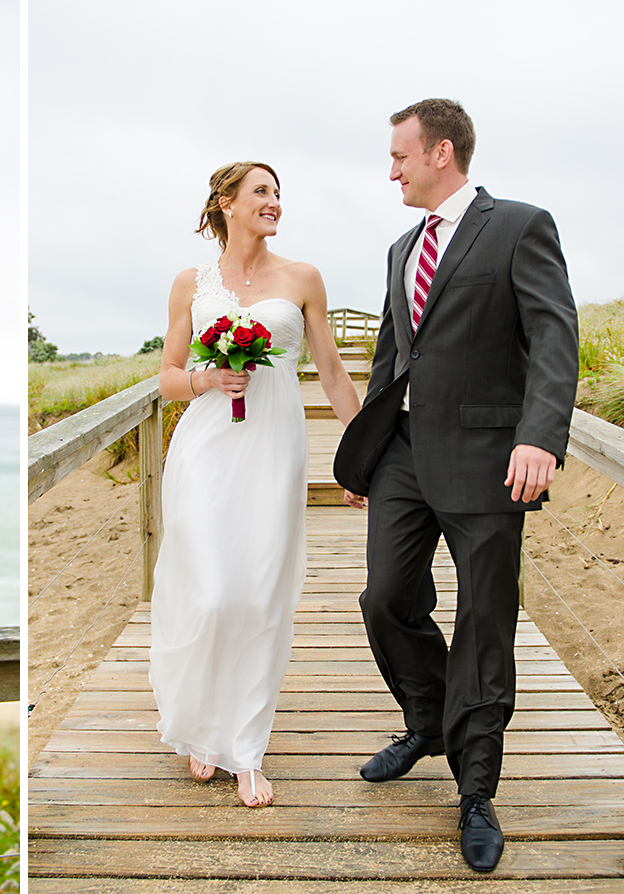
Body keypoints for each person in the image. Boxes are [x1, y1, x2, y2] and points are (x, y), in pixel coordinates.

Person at [334, 99, 578, 873]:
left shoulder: (519, 226)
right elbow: (388, 357)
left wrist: (540, 433)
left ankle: (476, 790)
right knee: (385, 598)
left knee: (483, 623)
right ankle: (428, 717)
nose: (393, 170)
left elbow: (553, 333)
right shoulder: (401, 247)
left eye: (401, 156)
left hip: (488, 456)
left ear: (442, 152)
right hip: (402, 455)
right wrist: (366, 452)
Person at [148, 162, 361, 808]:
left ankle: (246, 748)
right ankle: (199, 727)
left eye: (278, 194)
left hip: (274, 447)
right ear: (226, 204)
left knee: (260, 596)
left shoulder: (302, 279)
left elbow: (329, 370)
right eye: (261, 192)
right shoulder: (192, 282)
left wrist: (364, 452)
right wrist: (208, 380)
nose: (274, 202)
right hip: (208, 448)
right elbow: (167, 375)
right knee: (213, 593)